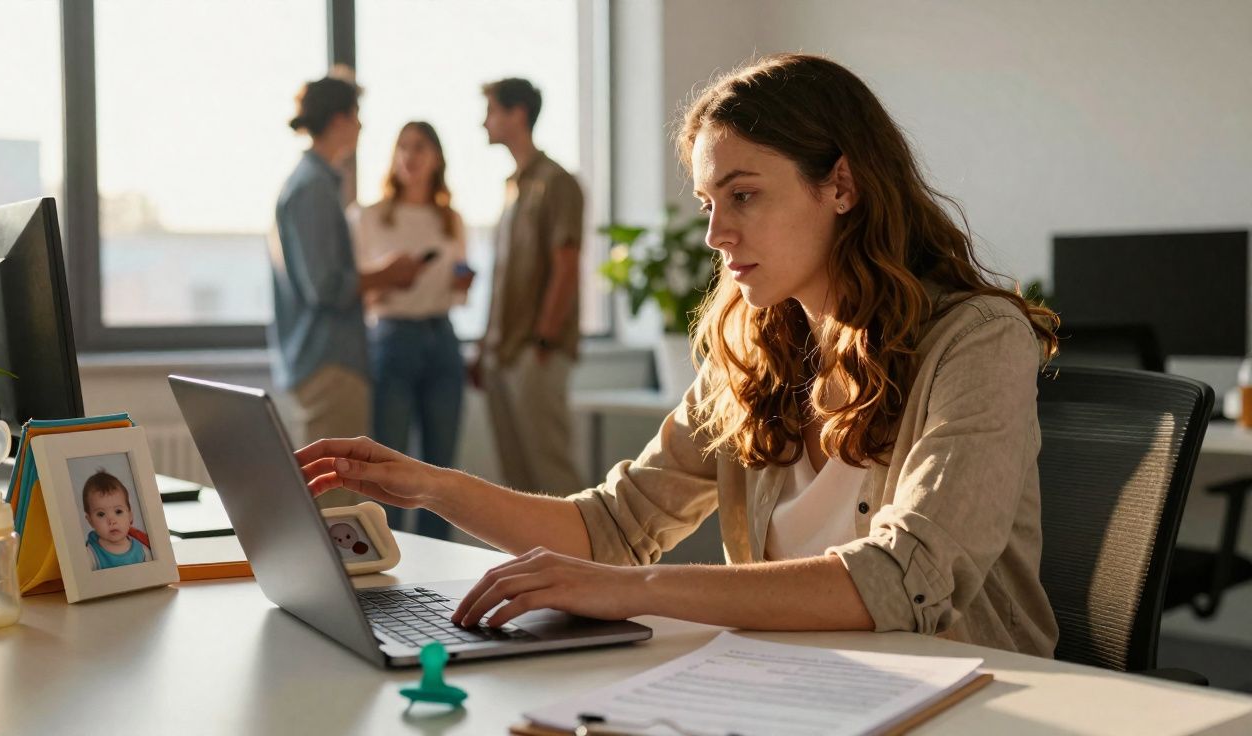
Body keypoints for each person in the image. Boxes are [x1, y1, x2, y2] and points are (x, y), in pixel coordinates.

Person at [295, 54, 1061, 657]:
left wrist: (634, 590)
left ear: (842, 185)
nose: (715, 234)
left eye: (744, 195)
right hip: (797, 691)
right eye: (708, 204)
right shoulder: (755, 350)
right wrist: (433, 486)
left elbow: (908, 578)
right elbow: (612, 528)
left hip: (970, 699)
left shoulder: (978, 342)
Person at [270, 70, 423, 505]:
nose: (361, 126)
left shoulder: (312, 183)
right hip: (329, 361)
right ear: (339, 119)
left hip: (324, 359)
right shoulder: (313, 187)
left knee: (332, 496)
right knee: (334, 499)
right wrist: (387, 274)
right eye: (357, 115)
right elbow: (325, 287)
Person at [348, 122, 472, 539]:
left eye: (419, 147)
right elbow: (350, 291)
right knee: (389, 467)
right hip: (392, 339)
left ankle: (441, 573)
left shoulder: (450, 219)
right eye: (402, 147)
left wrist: (460, 285)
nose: (410, 156)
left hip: (442, 338)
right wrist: (388, 277)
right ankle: (389, 557)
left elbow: (456, 291)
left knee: (442, 471)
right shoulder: (368, 217)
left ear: (436, 157)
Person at [469, 77, 586, 494]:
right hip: (502, 353)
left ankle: (577, 561)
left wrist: (543, 340)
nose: (484, 123)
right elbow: (505, 276)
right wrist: (484, 346)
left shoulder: (557, 182)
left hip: (535, 353)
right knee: (515, 482)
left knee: (552, 475)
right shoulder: (511, 187)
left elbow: (566, 264)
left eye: (491, 112)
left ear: (517, 114)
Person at [81, 470, 152, 571]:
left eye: (118, 511)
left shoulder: (143, 551)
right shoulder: (90, 556)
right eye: (101, 514)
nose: (112, 521)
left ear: (130, 516)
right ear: (90, 521)